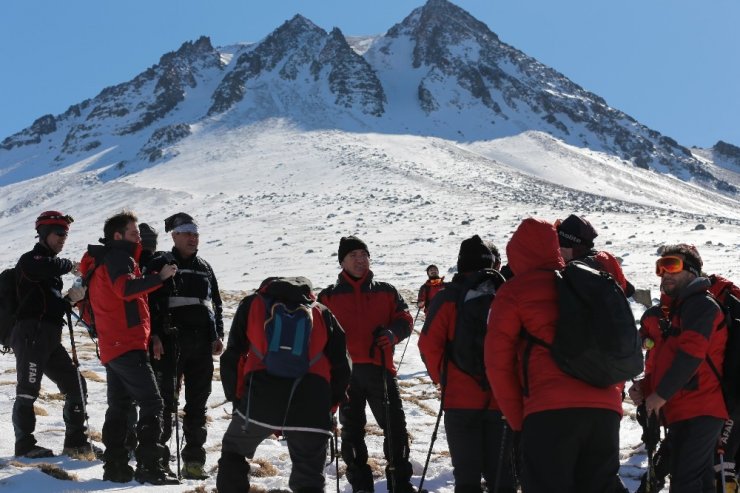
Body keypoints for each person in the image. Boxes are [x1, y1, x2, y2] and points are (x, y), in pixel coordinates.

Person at [486, 218, 624, 493]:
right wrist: (610, 399)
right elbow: (614, 345)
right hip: (604, 411)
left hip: (549, 413)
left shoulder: (514, 291)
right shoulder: (586, 282)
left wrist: (519, 419)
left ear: (517, 253)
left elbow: (497, 363)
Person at [216, 276, 352, 493]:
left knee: (234, 451)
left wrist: (238, 400)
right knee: (309, 474)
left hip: (260, 400)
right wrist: (330, 406)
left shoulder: (252, 304)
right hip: (312, 402)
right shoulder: (322, 312)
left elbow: (231, 357)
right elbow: (343, 365)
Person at [82, 210, 178, 484]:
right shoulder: (118, 257)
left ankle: (116, 467)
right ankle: (150, 467)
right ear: (118, 235)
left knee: (120, 406)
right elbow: (125, 289)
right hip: (125, 343)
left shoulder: (105, 259)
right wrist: (160, 278)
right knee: (153, 402)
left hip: (114, 344)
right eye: (134, 233)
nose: (139, 238)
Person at [318, 236, 417, 493]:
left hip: (380, 370)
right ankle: (361, 485)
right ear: (342, 261)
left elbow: (405, 318)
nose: (360, 260)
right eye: (354, 255)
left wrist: (393, 334)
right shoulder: (327, 297)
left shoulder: (386, 290)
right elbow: (317, 334)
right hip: (346, 374)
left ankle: (399, 483)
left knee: (395, 428)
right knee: (351, 432)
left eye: (364, 254)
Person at [418, 236, 516, 493]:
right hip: (500, 399)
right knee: (501, 474)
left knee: (467, 476)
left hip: (459, 400)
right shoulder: (505, 295)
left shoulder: (447, 297)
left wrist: (444, 378)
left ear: (461, 263)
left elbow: (428, 345)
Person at [630, 245, 729, 492]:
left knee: (686, 483)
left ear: (693, 271)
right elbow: (667, 362)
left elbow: (691, 355)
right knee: (699, 481)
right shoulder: (678, 312)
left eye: (672, 265)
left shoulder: (701, 305)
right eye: (660, 268)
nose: (665, 273)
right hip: (686, 410)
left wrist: (659, 395)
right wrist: (645, 388)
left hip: (701, 409)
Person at [144, 212, 224, 479]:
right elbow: (147, 301)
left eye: (196, 233)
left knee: (198, 405)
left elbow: (215, 304)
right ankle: (159, 461)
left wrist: (218, 335)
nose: (193, 238)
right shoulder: (160, 262)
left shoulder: (205, 266)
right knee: (165, 403)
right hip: (168, 343)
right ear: (174, 236)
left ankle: (194, 462)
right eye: (187, 233)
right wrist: (154, 335)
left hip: (201, 345)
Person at [11, 211, 91, 458]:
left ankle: (75, 442)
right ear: (44, 234)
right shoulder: (31, 261)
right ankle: (24, 445)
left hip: (48, 337)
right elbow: (46, 266)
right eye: (59, 233)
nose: (63, 238)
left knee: (76, 385)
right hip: (30, 335)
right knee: (28, 389)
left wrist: (71, 299)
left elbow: (51, 306)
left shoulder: (50, 272)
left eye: (66, 234)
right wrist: (73, 266)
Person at [555, 213, 635, 296]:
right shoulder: (600, 260)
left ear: (574, 247)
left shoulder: (578, 271)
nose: (557, 248)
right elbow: (629, 290)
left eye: (560, 242)